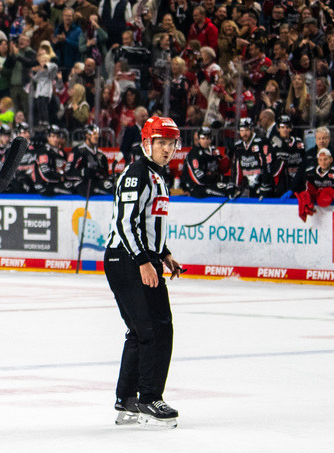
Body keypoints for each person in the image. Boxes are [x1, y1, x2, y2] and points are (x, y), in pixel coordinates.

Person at [104, 116, 183, 429]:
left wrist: (164, 254)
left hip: (141, 257)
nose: (166, 149)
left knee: (151, 328)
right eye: (160, 142)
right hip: (125, 260)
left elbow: (148, 223)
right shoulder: (137, 172)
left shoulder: (158, 175)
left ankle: (127, 398)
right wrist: (142, 261)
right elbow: (125, 223)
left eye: (171, 143)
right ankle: (149, 397)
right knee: (151, 328)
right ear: (147, 143)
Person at [182, 127, 232, 198]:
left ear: (211, 139)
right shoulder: (194, 154)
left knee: (231, 188)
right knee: (225, 192)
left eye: (208, 138)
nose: (205, 141)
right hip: (197, 188)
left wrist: (228, 156)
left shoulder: (214, 151)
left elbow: (223, 169)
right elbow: (199, 179)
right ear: (198, 139)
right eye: (203, 138)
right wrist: (214, 176)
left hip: (211, 184)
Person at [231, 117, 274, 198]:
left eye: (247, 130)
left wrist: (265, 185)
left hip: (262, 185)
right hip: (247, 187)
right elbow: (237, 169)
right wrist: (234, 186)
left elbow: (267, 165)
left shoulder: (262, 142)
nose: (244, 133)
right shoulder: (238, 146)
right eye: (241, 130)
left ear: (252, 130)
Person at [67, 125, 112, 195]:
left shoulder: (100, 155)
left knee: (112, 188)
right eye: (94, 134)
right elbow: (68, 172)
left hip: (96, 182)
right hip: (83, 183)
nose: (97, 136)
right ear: (87, 135)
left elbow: (105, 174)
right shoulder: (78, 151)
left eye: (97, 134)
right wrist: (84, 172)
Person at [267, 115, 304, 196]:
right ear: (278, 128)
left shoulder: (298, 142)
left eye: (287, 127)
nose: (285, 130)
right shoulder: (273, 145)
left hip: (297, 181)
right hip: (281, 183)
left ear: (291, 128)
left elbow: (303, 163)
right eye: (282, 127)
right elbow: (269, 167)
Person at [293, 148, 334, 222]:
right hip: (318, 205)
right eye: (321, 160)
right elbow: (308, 188)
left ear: (331, 159)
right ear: (318, 161)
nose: (323, 162)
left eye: (325, 159)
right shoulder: (310, 172)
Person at [34, 125, 70, 195]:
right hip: (44, 185)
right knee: (68, 191)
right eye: (53, 136)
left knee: (73, 187)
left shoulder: (61, 153)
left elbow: (66, 170)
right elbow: (46, 175)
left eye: (57, 137)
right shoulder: (44, 152)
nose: (56, 139)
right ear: (48, 137)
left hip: (56, 182)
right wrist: (61, 178)